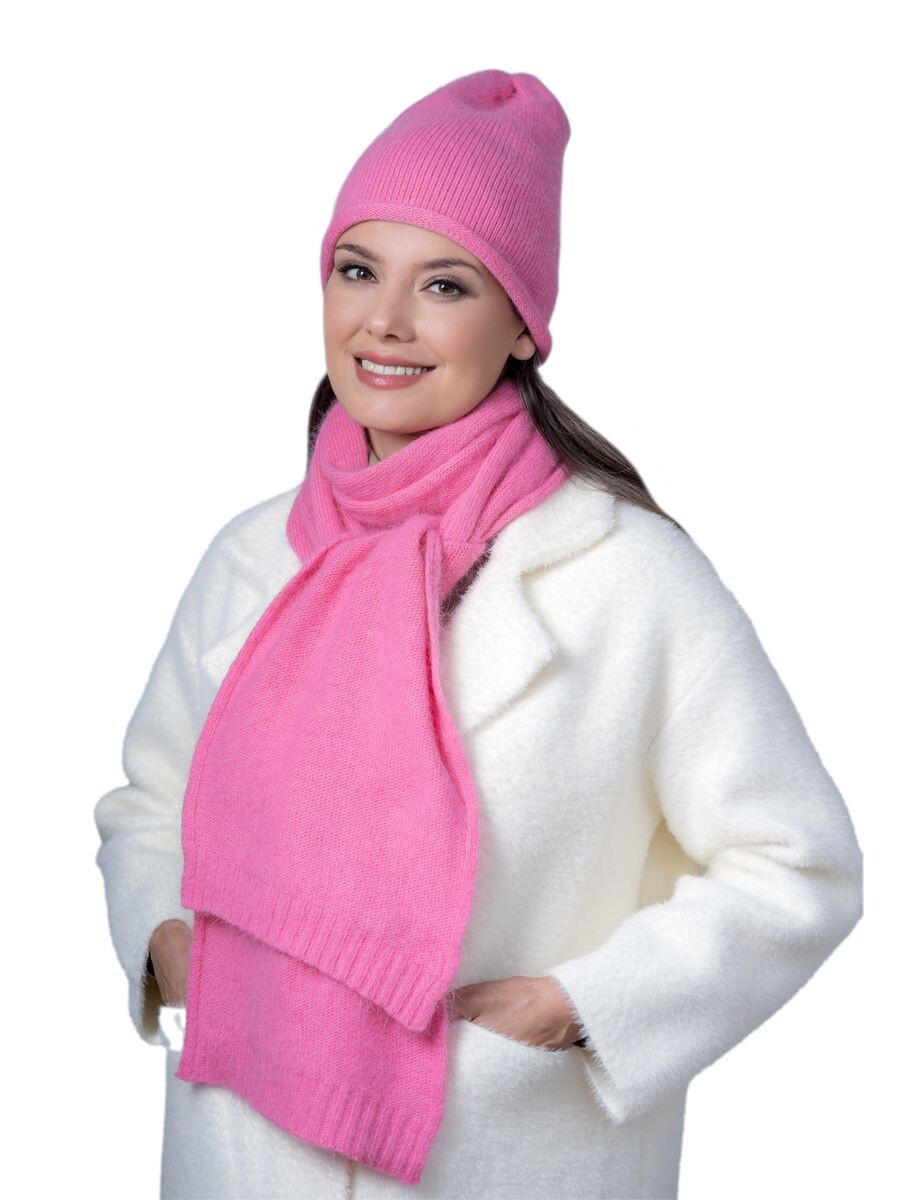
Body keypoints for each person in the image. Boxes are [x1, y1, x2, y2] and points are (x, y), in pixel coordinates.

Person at [93, 69, 864, 1200]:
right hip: (242, 1151)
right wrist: (165, 935)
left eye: (445, 285)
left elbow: (798, 864)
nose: (384, 322)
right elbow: (153, 797)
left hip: (497, 1156)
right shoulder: (256, 556)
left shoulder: (628, 578)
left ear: (521, 328)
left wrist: (584, 1008)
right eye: (357, 270)